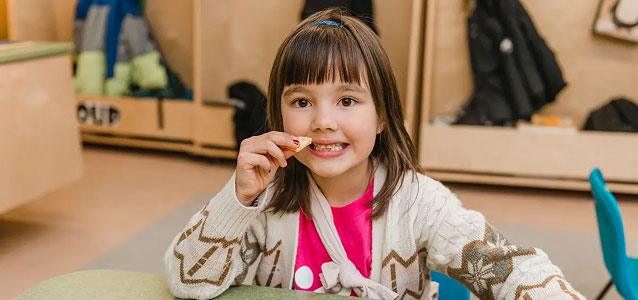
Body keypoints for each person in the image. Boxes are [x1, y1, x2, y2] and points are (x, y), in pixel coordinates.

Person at [164, 9, 583, 300]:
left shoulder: (420, 202)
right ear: (278, 114)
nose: (323, 121)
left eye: (347, 101)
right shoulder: (263, 203)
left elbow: (511, 269)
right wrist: (237, 201)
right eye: (302, 102)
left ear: (382, 116)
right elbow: (188, 282)